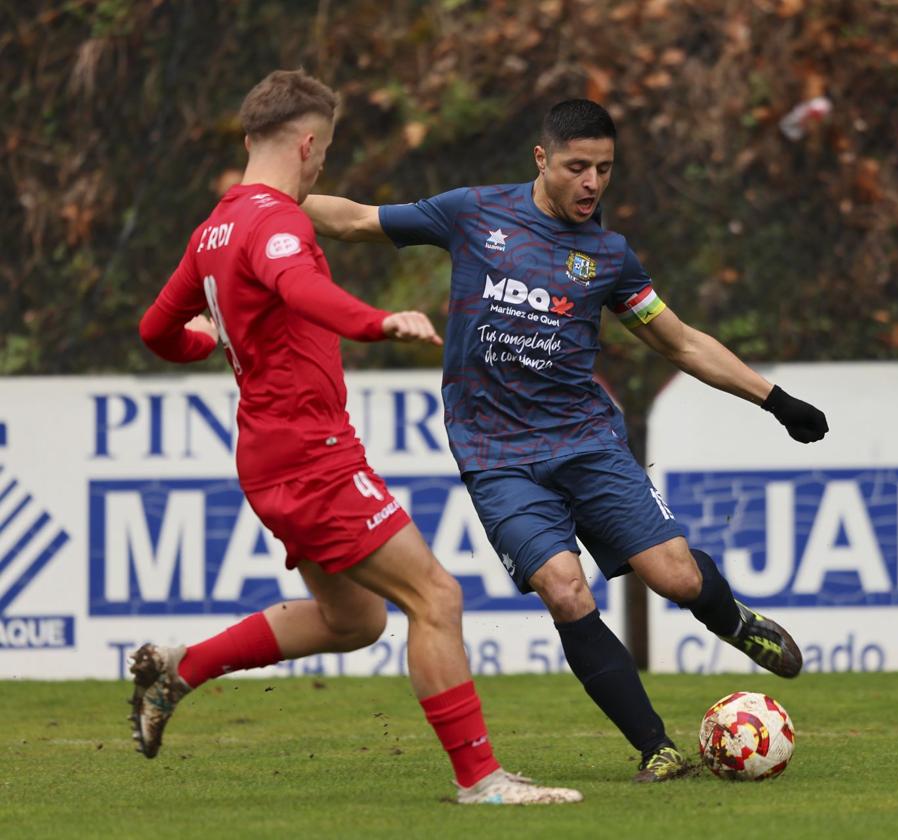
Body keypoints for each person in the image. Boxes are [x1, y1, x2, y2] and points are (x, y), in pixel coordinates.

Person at [302, 98, 829, 782]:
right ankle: (655, 748)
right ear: (541, 159)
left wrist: (774, 399)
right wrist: (265, 201)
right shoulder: (473, 213)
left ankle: (731, 620)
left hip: (585, 440)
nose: (591, 184)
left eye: (604, 170)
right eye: (577, 167)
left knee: (675, 578)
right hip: (495, 456)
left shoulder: (608, 256)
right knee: (565, 591)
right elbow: (354, 221)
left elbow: (680, 341)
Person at [133, 69, 581, 806]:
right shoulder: (277, 222)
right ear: (307, 144)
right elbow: (301, 290)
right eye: (326, 150)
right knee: (435, 597)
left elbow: (154, 330)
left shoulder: (213, 227)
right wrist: (378, 322)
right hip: (311, 455)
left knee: (355, 619)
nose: (323, 164)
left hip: (267, 456)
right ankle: (482, 781)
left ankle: (183, 667)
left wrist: (203, 342)